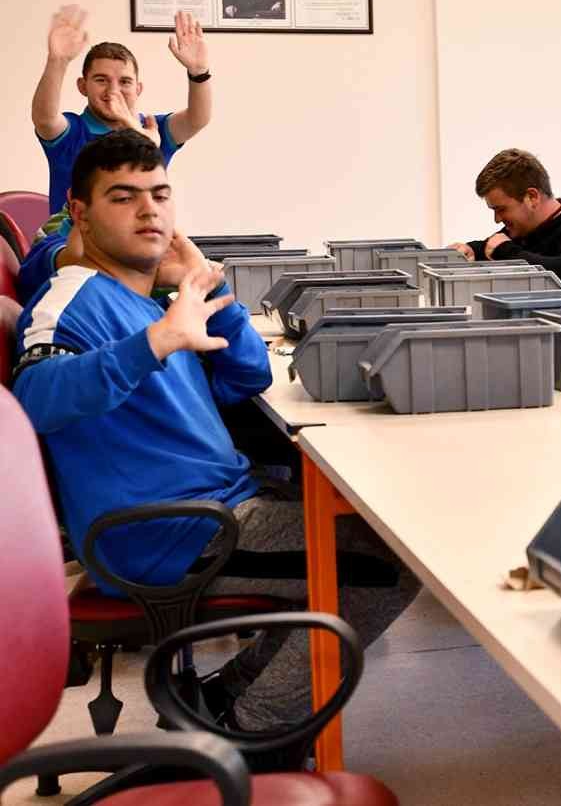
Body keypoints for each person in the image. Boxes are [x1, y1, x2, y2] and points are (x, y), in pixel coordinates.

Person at [11, 130, 419, 764]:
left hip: (214, 507)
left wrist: (203, 290)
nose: (149, 211)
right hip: (167, 534)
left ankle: (224, 703)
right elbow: (33, 400)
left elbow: (247, 376)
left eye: (160, 195)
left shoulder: (154, 299)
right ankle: (250, 739)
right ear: (80, 213)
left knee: (372, 532)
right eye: (124, 197)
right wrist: (155, 343)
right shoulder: (69, 301)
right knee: (392, 563)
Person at [31, 5, 215, 215]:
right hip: (75, 235)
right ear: (83, 86)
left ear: (138, 89)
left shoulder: (153, 128)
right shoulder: (73, 131)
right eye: (101, 80)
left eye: (125, 82)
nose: (113, 91)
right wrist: (57, 61)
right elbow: (45, 119)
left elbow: (197, 119)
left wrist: (199, 72)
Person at [448, 149, 561, 289]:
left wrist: (506, 252)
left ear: (532, 197)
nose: (497, 219)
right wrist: (471, 250)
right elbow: (495, 245)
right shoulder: (528, 228)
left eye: (501, 209)